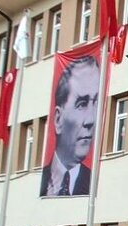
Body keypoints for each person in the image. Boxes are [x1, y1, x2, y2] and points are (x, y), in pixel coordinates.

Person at [40, 55, 99, 197]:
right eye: (82, 104)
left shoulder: (91, 180)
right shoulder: (45, 179)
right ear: (58, 119)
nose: (91, 120)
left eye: (96, 103)